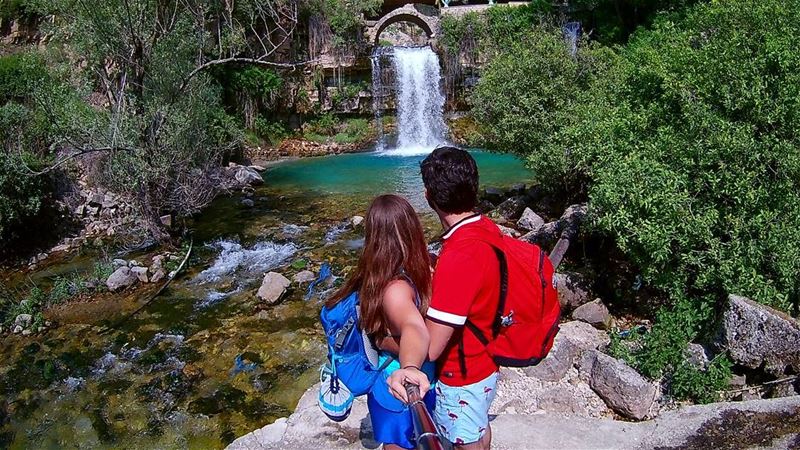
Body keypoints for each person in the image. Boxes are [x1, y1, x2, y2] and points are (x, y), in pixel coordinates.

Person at [388, 146, 501, 450]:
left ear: (428, 197)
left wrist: (382, 341)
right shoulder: (486, 229)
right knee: (478, 428)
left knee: (463, 440)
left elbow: (433, 347)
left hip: (462, 374)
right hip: (488, 362)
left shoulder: (459, 256)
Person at [325, 194, 435, 450]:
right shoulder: (398, 286)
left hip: (391, 384)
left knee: (396, 440)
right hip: (402, 384)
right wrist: (410, 367)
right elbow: (413, 326)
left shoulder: (376, 277)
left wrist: (385, 343)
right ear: (412, 228)